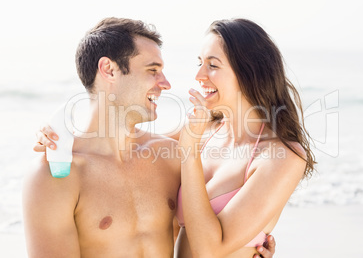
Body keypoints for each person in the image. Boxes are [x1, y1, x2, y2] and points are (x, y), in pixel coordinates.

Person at [27, 17, 276, 258]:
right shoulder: (57, 175)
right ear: (109, 70)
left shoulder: (170, 158)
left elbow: (206, 229)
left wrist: (248, 249)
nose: (166, 83)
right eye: (152, 70)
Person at [174, 19, 316, 257]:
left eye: (212, 65)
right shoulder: (204, 130)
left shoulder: (281, 156)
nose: (199, 75)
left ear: (248, 72)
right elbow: (128, 144)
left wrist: (189, 151)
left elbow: (209, 249)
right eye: (200, 63)